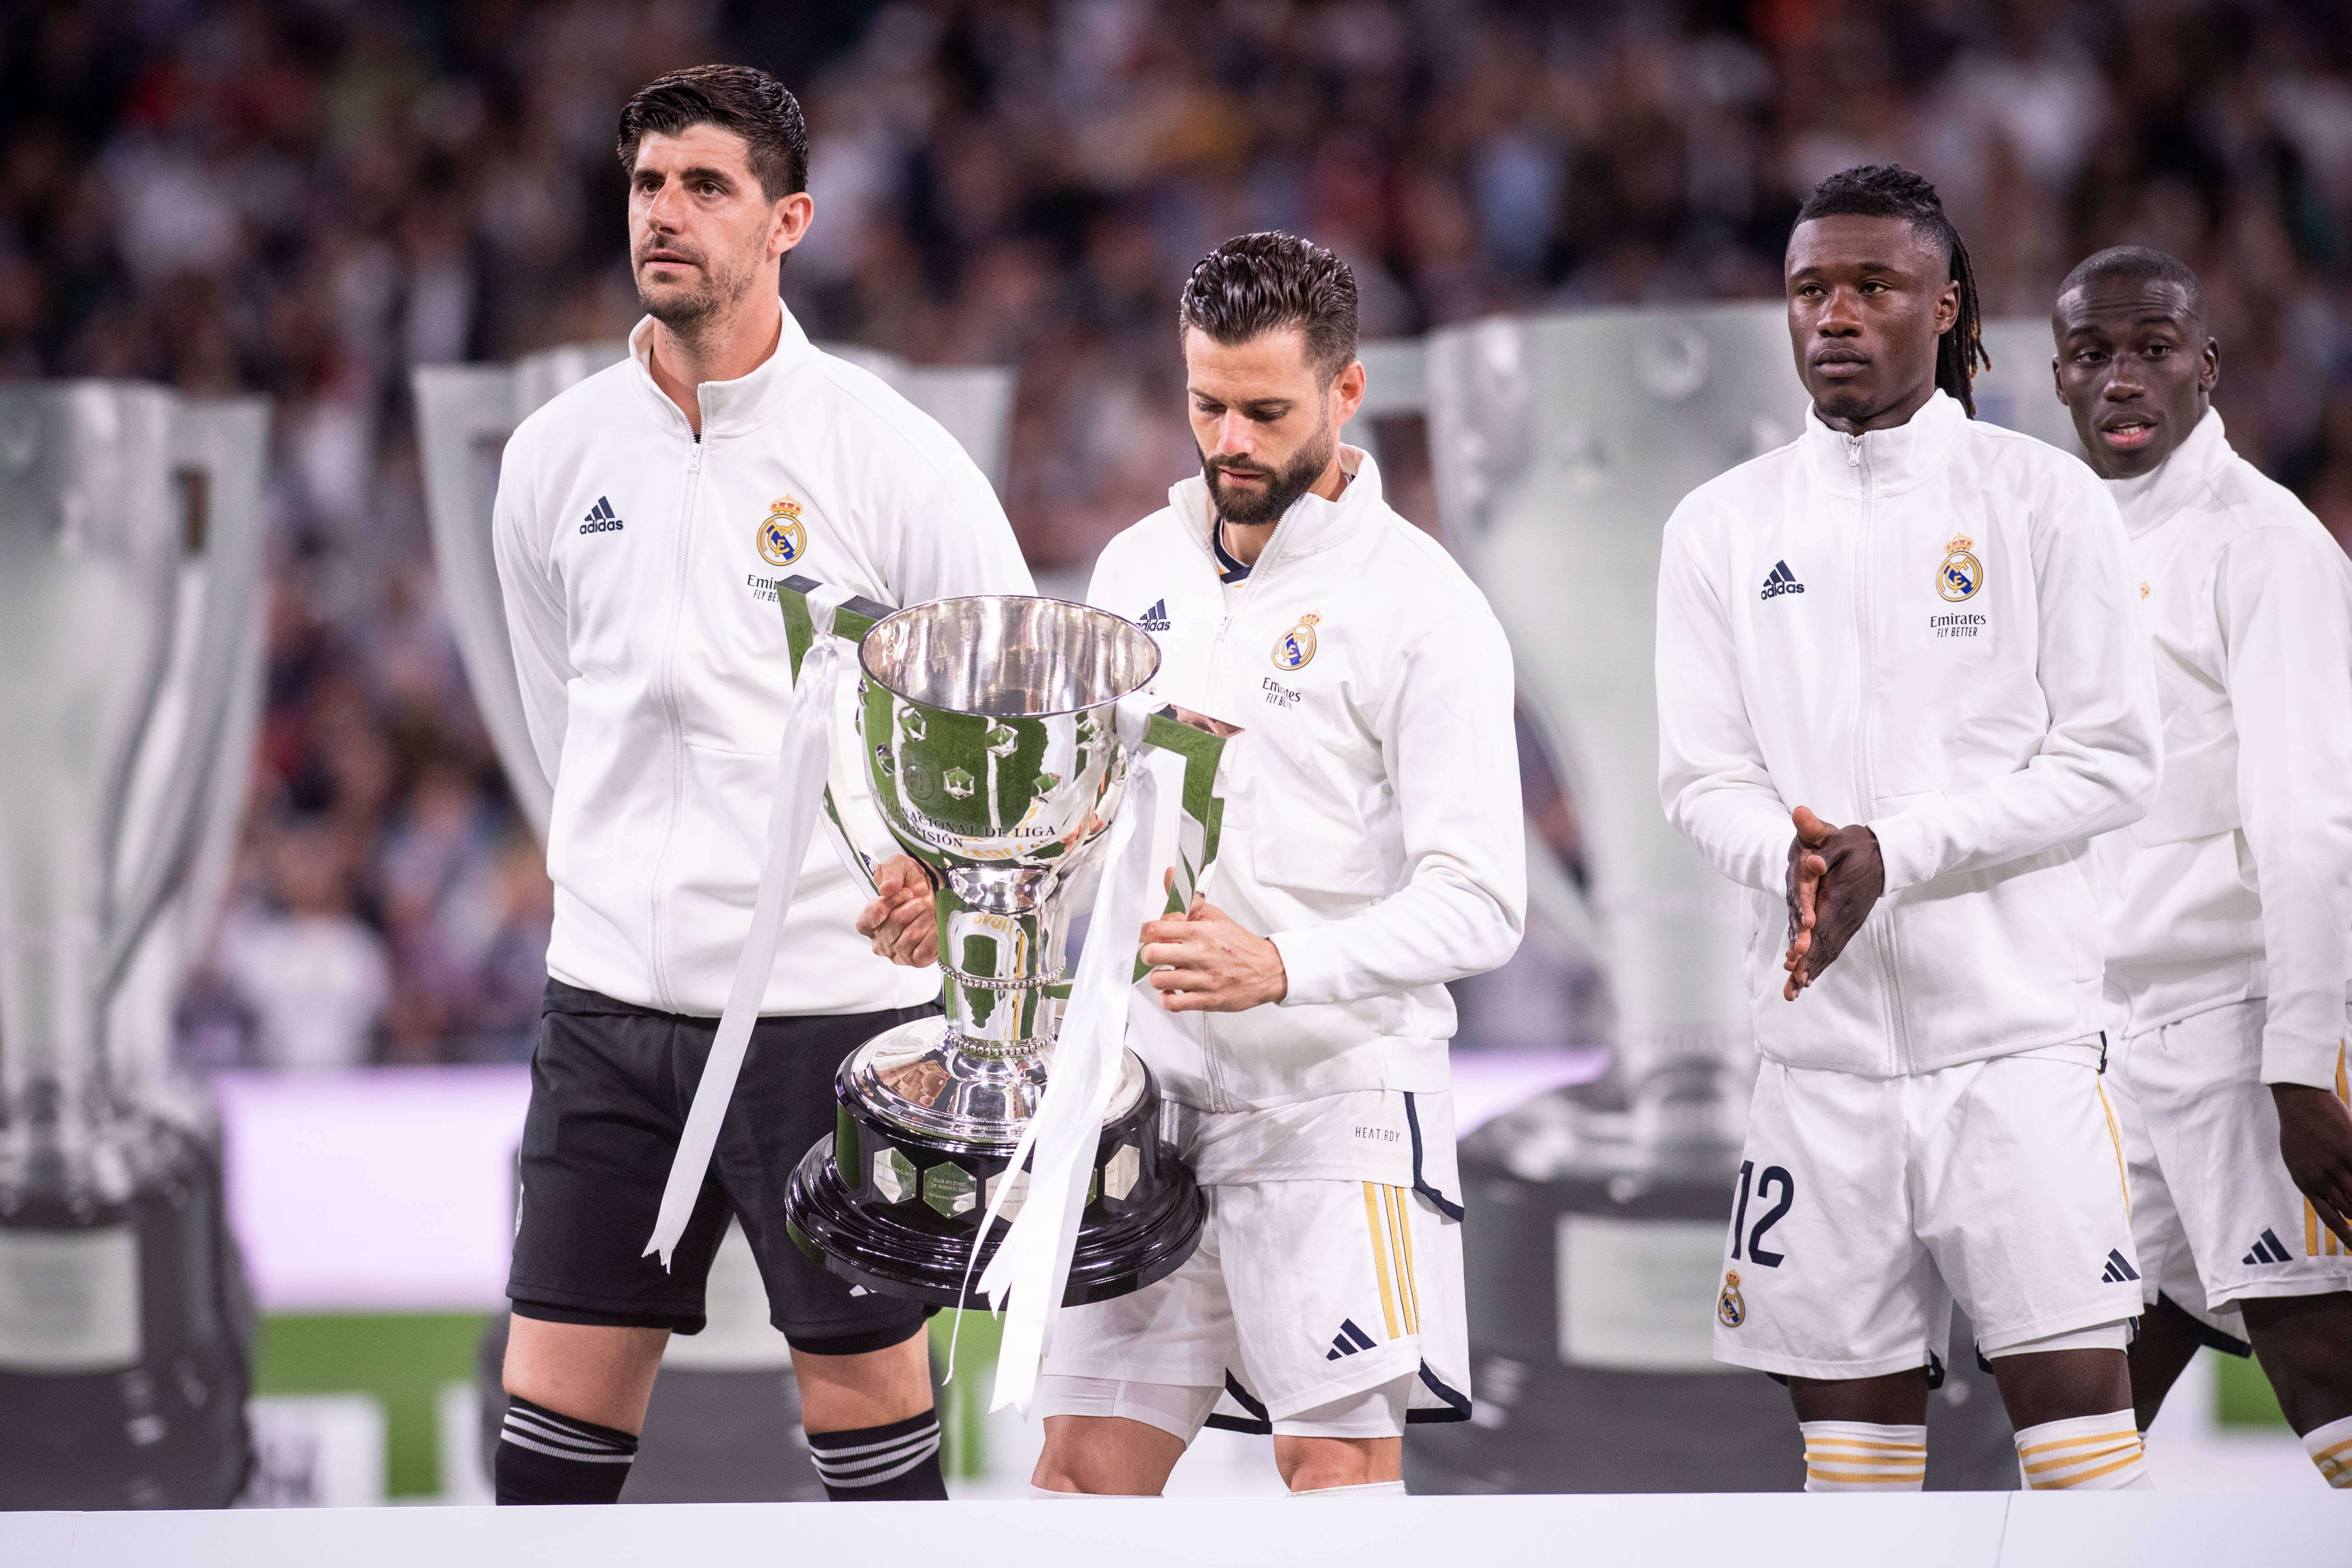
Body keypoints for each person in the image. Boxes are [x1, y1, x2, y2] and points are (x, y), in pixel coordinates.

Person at [862, 231, 1525, 1497]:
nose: (1230, 440)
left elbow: (1483, 901)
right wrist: (962, 904)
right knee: (1079, 1475)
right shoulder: (1133, 572)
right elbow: (1081, 832)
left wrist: (1281, 966)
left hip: (1333, 1107)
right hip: (1140, 1101)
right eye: (1206, 405)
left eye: (1266, 412)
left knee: (1333, 1469)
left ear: (1345, 393)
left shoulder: (1423, 606)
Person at [487, 64, 1032, 1506]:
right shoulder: (553, 457)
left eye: (705, 186)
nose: (664, 214)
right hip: (606, 1006)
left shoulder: (890, 457)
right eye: (647, 184)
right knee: (548, 1449)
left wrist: (958, 878)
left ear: (787, 219)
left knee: (868, 1429)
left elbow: (1018, 718)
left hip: (824, 1015)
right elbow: (565, 714)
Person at [1654, 165, 2164, 1492]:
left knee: (2080, 1453)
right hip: (1815, 1072)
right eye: (1809, 288)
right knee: (1853, 1465)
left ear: (1943, 307)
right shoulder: (1718, 525)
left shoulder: (2042, 501)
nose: (1834, 313)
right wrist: (1798, 860)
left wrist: (1902, 848)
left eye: (1871, 285)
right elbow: (1697, 778)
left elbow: (2113, 760)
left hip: (2015, 1053)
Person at [2052, 245, 2352, 1488]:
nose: (2123, 376)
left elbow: (2312, 818)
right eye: (2093, 354)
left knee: (2321, 1366)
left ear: (2205, 368)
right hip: (2111, 1043)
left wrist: (2300, 1064)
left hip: (2241, 1028)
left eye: (2152, 348)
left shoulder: (2264, 547)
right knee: (2068, 1400)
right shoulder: (2065, 540)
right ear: (2057, 376)